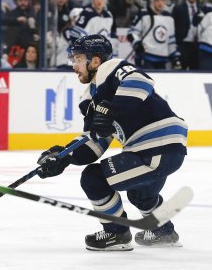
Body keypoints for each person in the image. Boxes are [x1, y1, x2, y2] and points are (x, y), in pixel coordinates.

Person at [36, 34, 187, 251]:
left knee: (93, 179)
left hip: (155, 146)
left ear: (95, 61)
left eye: (78, 59)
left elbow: (142, 81)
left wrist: (111, 109)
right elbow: (94, 142)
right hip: (164, 149)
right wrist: (64, 156)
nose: (74, 66)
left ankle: (116, 233)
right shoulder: (89, 99)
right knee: (141, 194)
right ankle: (163, 231)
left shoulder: (112, 69)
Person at [127, 0, 181, 69]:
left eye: (162, 0)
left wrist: (175, 57)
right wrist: (137, 43)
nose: (160, 3)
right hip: (146, 58)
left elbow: (171, 40)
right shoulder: (143, 14)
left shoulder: (169, 17)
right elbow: (132, 33)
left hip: (162, 59)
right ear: (152, 1)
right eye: (157, 0)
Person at [172, 0, 200, 70]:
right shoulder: (178, 8)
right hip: (183, 44)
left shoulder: (202, 8)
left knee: (196, 71)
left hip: (198, 45)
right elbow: (173, 27)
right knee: (180, 71)